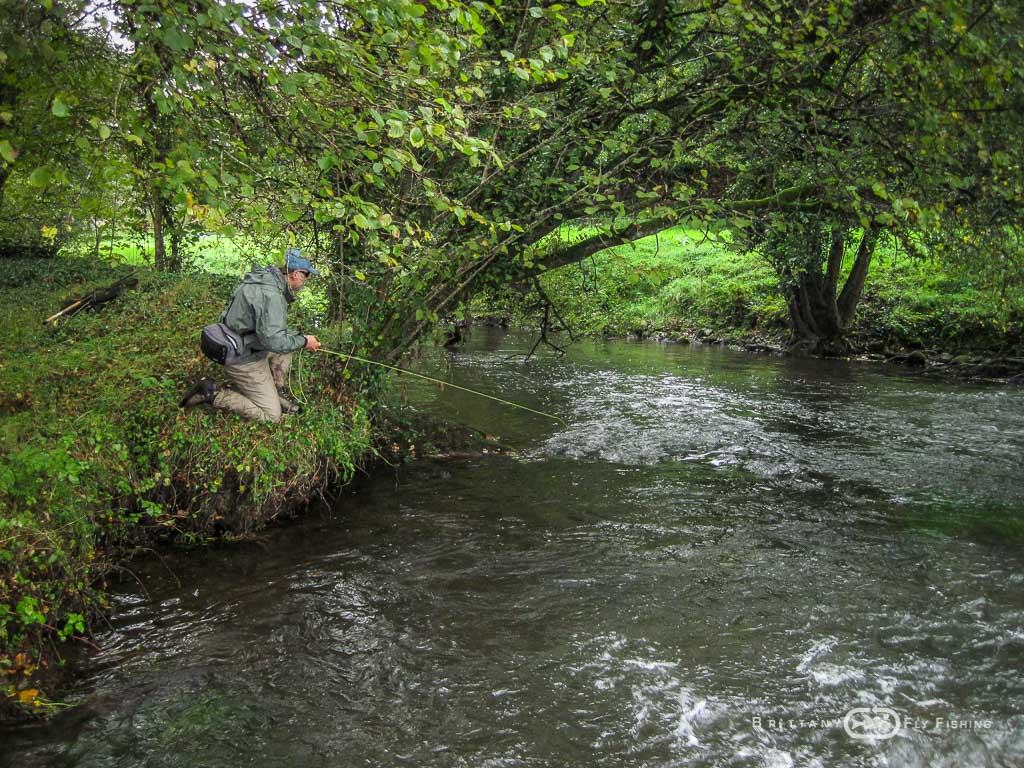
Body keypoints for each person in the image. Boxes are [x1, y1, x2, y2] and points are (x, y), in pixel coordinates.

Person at [179, 248, 321, 422]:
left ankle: (276, 391)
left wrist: (300, 339)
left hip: (245, 341)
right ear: (296, 274)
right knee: (272, 416)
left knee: (289, 344)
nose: (306, 281)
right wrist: (305, 341)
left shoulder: (265, 280)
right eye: (306, 276)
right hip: (242, 356)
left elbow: (270, 331)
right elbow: (274, 340)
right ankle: (212, 393)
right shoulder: (272, 295)